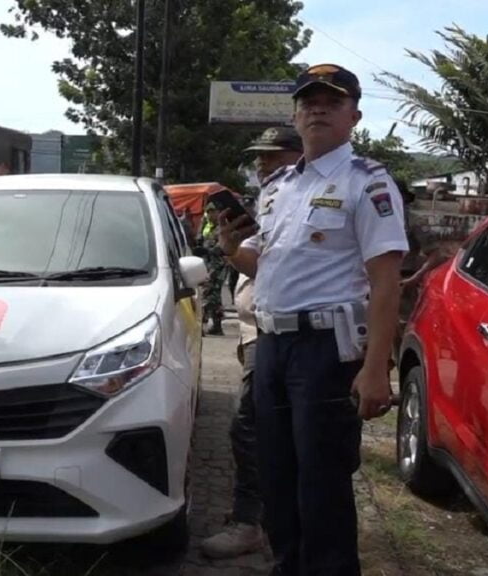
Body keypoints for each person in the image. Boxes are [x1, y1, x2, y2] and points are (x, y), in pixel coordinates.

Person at [218, 63, 408, 575]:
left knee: (321, 485)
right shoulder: (279, 185)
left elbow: (386, 281)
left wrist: (375, 369)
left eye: (331, 100)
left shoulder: (367, 183)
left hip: (326, 351)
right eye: (307, 101)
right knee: (277, 479)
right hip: (274, 346)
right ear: (296, 115)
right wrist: (233, 249)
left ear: (354, 116)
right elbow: (266, 262)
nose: (317, 108)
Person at [201, 126, 303, 559]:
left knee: (251, 427)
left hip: (285, 332)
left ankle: (256, 523)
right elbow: (256, 265)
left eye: (274, 157)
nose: (263, 165)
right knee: (257, 430)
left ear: (300, 157)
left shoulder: (302, 203)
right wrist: (230, 245)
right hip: (252, 330)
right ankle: (267, 523)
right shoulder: (268, 201)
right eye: (260, 158)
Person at [199, 202, 227, 335]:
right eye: (208, 212)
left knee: (206, 292)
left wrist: (207, 250)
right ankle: (217, 325)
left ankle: (200, 325)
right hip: (207, 264)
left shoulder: (223, 226)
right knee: (214, 297)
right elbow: (200, 239)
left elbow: (221, 247)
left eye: (212, 212)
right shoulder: (206, 226)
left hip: (218, 265)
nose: (210, 215)